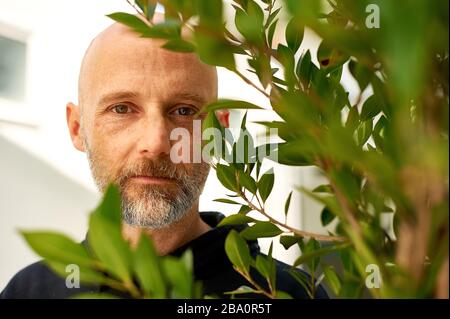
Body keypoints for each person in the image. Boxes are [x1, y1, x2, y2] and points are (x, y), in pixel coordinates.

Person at [0, 14, 328, 299]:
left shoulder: (287, 293)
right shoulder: (28, 292)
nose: (156, 142)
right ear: (77, 128)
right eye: (122, 109)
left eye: (184, 110)